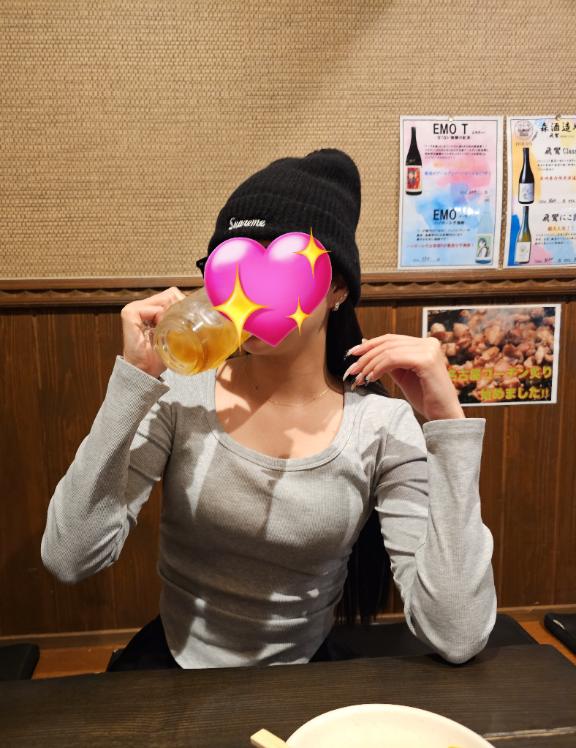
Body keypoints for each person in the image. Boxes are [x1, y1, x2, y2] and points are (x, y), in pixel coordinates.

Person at [41, 149, 496, 671]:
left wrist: (448, 428)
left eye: (278, 270)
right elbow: (69, 557)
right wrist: (133, 380)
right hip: (174, 669)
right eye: (233, 267)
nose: (246, 293)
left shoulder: (381, 426)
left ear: (338, 288)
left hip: (303, 679)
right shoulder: (180, 396)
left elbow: (457, 634)